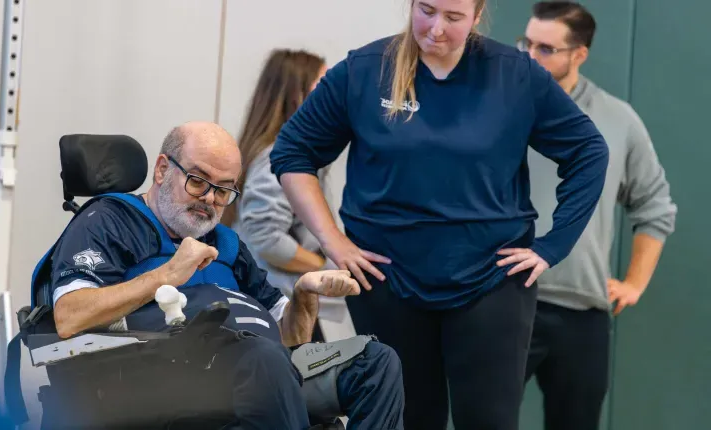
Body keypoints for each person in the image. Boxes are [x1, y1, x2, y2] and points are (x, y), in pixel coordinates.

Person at [268, 0, 610, 428]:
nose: (435, 29)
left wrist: (552, 246)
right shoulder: (364, 70)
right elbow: (293, 153)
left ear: (477, 14)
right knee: (408, 417)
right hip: (386, 278)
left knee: (488, 419)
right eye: (426, 11)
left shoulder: (515, 74)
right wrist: (334, 242)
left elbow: (588, 151)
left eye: (453, 17)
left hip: (491, 277)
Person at [43, 121, 404, 430]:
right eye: (199, 182)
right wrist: (168, 274)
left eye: (224, 190)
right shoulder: (109, 221)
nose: (210, 200)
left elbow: (290, 342)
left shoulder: (226, 244)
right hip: (160, 381)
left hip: (260, 371)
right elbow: (69, 316)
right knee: (263, 361)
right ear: (163, 170)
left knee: (376, 363)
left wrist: (304, 297)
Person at [518, 3, 677, 429]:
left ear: (579, 54)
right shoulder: (499, 107)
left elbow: (655, 207)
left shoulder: (618, 120)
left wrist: (634, 284)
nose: (531, 56)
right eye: (526, 43)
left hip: (581, 312)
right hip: (506, 299)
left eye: (546, 48)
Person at [221, 49, 347, 341]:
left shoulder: (272, 152)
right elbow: (266, 239)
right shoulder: (276, 158)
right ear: (296, 94)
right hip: (276, 307)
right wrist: (328, 268)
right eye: (323, 84)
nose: (333, 94)